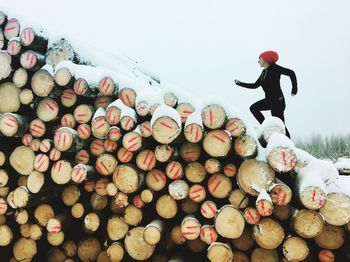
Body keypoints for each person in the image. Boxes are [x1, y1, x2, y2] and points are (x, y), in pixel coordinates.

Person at [234, 50, 297, 138]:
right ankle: (266, 127)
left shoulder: (275, 68)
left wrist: (294, 89)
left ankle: (289, 144)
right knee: (254, 108)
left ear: (266, 59)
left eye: (260, 59)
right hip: (270, 100)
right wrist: (240, 83)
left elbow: (291, 73)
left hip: (278, 101)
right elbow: (255, 85)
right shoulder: (264, 72)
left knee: (281, 126)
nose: (258, 61)